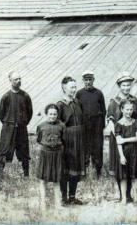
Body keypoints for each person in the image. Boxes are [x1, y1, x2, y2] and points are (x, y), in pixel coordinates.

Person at [107, 73, 137, 198]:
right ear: (119, 86)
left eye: (128, 85)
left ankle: (130, 194)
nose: (126, 87)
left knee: (133, 166)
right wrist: (118, 136)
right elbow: (111, 122)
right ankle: (123, 195)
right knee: (121, 167)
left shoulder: (135, 101)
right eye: (123, 85)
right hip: (119, 140)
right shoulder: (114, 102)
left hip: (133, 140)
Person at [0, 71, 33, 178]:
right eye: (16, 79)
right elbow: (1, 114)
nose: (18, 81)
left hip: (21, 129)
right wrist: (8, 123)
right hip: (8, 129)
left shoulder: (25, 96)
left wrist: (23, 122)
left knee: (24, 153)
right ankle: (0, 177)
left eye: (19, 79)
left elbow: (29, 112)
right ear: (10, 81)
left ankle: (26, 176)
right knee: (4, 152)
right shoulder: (6, 97)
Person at [56, 76, 86, 205]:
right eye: (71, 87)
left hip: (79, 139)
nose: (74, 90)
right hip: (67, 140)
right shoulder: (60, 105)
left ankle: (72, 197)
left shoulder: (77, 102)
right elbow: (57, 125)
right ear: (64, 88)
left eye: (75, 87)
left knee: (76, 168)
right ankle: (63, 197)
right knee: (66, 168)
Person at [75, 70, 106, 178]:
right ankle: (84, 171)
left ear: (93, 80)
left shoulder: (99, 93)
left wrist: (101, 125)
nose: (88, 82)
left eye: (90, 79)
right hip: (84, 124)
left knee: (97, 147)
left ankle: (98, 171)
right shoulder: (79, 93)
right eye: (86, 80)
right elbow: (77, 110)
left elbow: (103, 110)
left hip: (97, 124)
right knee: (85, 147)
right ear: (83, 81)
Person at [36, 104, 66, 211]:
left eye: (54, 114)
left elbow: (64, 139)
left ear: (57, 115)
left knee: (57, 180)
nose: (52, 116)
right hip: (45, 154)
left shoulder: (61, 126)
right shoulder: (41, 126)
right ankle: (43, 204)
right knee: (43, 180)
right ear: (46, 114)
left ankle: (58, 204)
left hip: (57, 154)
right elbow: (39, 139)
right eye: (50, 114)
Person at [113, 99, 137, 203]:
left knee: (135, 176)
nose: (129, 112)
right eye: (127, 109)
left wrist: (124, 140)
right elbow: (118, 142)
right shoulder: (119, 124)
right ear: (122, 110)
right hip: (124, 153)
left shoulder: (136, 122)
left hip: (135, 152)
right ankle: (124, 198)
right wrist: (121, 156)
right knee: (123, 176)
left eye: (131, 109)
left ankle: (136, 197)